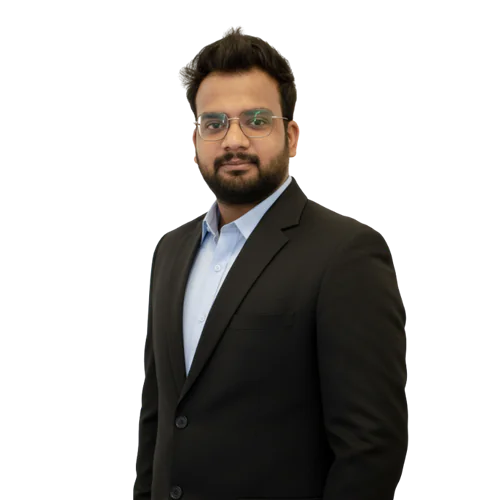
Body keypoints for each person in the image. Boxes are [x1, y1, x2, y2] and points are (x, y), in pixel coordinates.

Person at [134, 26, 408, 500]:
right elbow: (157, 417)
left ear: (292, 136)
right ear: (195, 140)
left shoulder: (345, 256)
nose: (233, 140)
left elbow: (371, 448)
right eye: (214, 124)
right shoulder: (173, 251)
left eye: (256, 120)